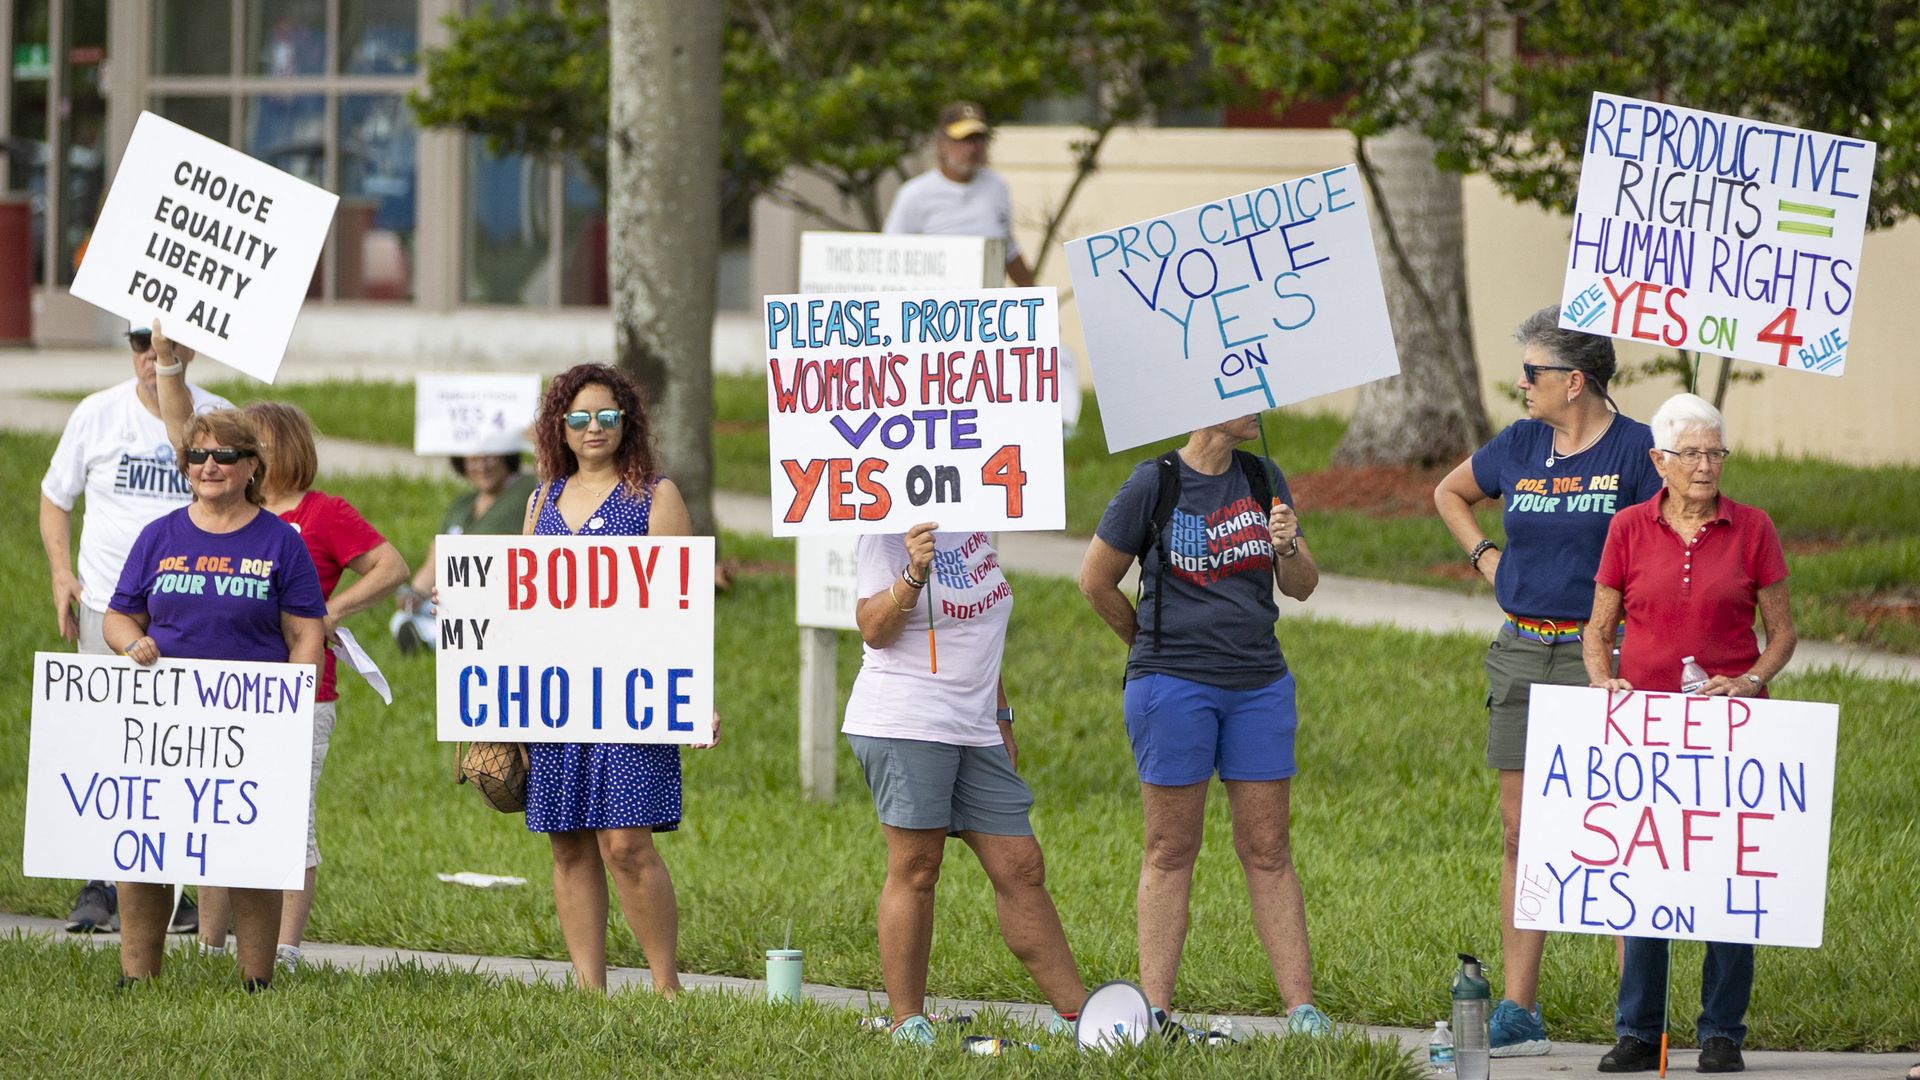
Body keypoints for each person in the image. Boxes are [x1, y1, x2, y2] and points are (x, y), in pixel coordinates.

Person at [1432, 305, 1663, 1057]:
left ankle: (1639, 1018)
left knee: (1620, 832)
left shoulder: (1636, 451)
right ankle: (1519, 1011)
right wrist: (1486, 558)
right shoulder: (1522, 443)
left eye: (1532, 373)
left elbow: (1665, 540)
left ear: (1576, 380)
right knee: (1521, 835)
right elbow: (1450, 493)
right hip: (1523, 652)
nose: (1521, 385)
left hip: (1608, 659)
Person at [1078, 413, 1332, 1036]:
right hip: (1173, 689)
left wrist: (1287, 545)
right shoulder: (1154, 482)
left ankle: (1302, 1010)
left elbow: (1301, 587)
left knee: (1268, 849)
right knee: (1170, 849)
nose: (1259, 406)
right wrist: (1147, 646)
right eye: (1243, 393)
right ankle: (1154, 1011)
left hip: (1260, 686)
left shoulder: (1262, 476)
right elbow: (1095, 580)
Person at [155, 355, 410, 968]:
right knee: (216, 812)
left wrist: (327, 614)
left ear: (281, 449)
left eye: (253, 444)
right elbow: (180, 432)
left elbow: (391, 566)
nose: (235, 456)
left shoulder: (322, 514)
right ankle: (211, 946)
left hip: (300, 692)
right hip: (221, 687)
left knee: (289, 819)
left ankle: (285, 947)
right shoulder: (226, 513)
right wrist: (167, 367)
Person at [1583, 393, 1796, 1075]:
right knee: (1647, 875)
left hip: (1729, 727)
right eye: (1693, 454)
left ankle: (1720, 1031)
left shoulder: (1753, 527)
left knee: (1725, 875)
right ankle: (1640, 1030)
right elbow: (1600, 627)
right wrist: (1601, 680)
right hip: (1646, 728)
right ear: (1659, 461)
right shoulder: (1627, 528)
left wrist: (1753, 679)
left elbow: (1783, 632)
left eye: (1716, 453)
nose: (1707, 466)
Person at [104, 408, 328, 990]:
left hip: (252, 718)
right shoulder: (158, 536)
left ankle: (256, 981)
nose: (210, 466)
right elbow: (119, 615)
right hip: (166, 718)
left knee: (249, 850)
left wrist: (294, 701)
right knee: (146, 846)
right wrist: (134, 644)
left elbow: (306, 633)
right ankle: (137, 978)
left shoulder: (281, 541)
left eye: (224, 455)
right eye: (197, 456)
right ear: (184, 468)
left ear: (251, 466)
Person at [845, 521, 1086, 1045]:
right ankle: (907, 1021)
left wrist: (1001, 715)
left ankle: (1079, 1015)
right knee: (918, 866)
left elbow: (981, 635)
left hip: (975, 726)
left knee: (1021, 865)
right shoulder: (885, 532)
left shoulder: (977, 521)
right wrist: (913, 572)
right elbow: (872, 629)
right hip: (905, 719)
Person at [39, 319, 228, 935]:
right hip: (106, 605)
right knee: (109, 743)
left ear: (188, 348)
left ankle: (194, 882)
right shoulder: (96, 414)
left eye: (164, 344)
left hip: (188, 609)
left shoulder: (215, 422)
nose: (151, 355)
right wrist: (62, 573)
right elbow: (55, 496)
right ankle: (101, 882)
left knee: (187, 745)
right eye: (140, 344)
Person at [521, 363, 702, 993]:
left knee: (626, 842)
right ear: (560, 429)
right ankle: (590, 990)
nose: (592, 428)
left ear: (626, 422)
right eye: (578, 418)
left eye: (605, 416)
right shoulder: (541, 500)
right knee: (567, 843)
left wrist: (696, 693)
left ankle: (665, 986)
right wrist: (467, 606)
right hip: (555, 698)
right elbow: (520, 602)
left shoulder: (656, 496)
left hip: (634, 694)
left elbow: (683, 605)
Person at [391, 453, 539, 652]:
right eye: (473, 460)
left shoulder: (526, 490)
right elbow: (436, 559)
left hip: (499, 598)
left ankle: (433, 639)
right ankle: (429, 635)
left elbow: (548, 475)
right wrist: (414, 594)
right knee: (403, 617)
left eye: (490, 458)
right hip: (453, 599)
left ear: (506, 457)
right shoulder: (462, 506)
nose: (482, 467)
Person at [883, 101, 1036, 288]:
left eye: (978, 139)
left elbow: (1008, 249)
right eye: (962, 139)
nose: (971, 148)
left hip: (988, 308)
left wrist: (1040, 303)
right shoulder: (915, 194)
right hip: (935, 308)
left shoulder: (997, 186)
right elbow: (891, 258)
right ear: (941, 144)